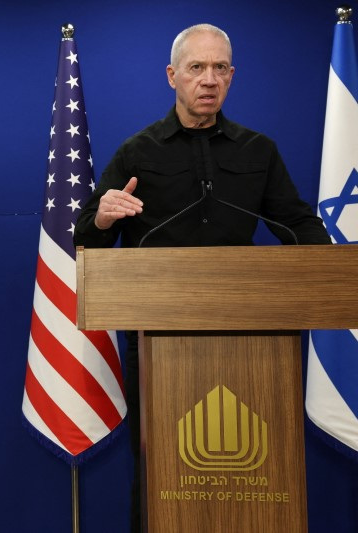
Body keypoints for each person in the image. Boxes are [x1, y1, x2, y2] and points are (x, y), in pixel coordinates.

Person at [72, 23, 330, 532]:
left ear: (231, 77)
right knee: (160, 468)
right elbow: (88, 239)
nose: (208, 79)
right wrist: (103, 217)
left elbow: (298, 224)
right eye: (197, 68)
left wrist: (323, 268)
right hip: (156, 340)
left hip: (253, 338)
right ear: (173, 76)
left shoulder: (259, 152)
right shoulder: (137, 152)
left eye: (220, 68)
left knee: (260, 470)